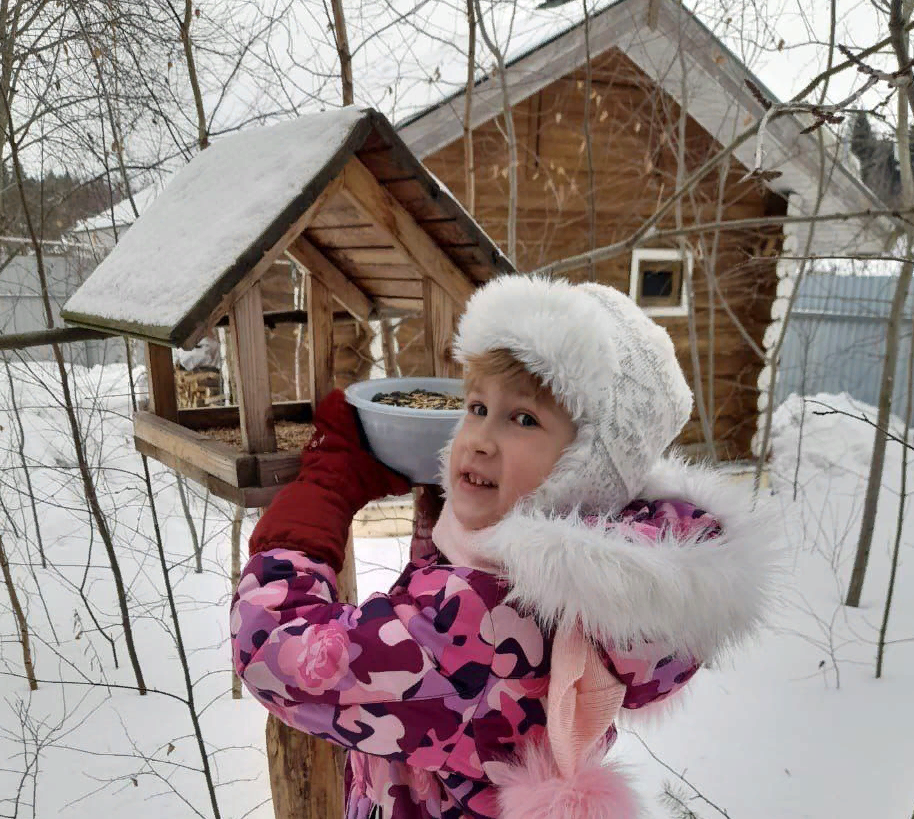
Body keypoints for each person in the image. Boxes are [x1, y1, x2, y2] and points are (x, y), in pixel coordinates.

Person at [231, 275, 777, 819]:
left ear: (587, 465)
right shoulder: (582, 584)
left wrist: (323, 493)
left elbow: (269, 653)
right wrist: (437, 498)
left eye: (523, 418)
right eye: (475, 407)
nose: (478, 439)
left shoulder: (477, 625)